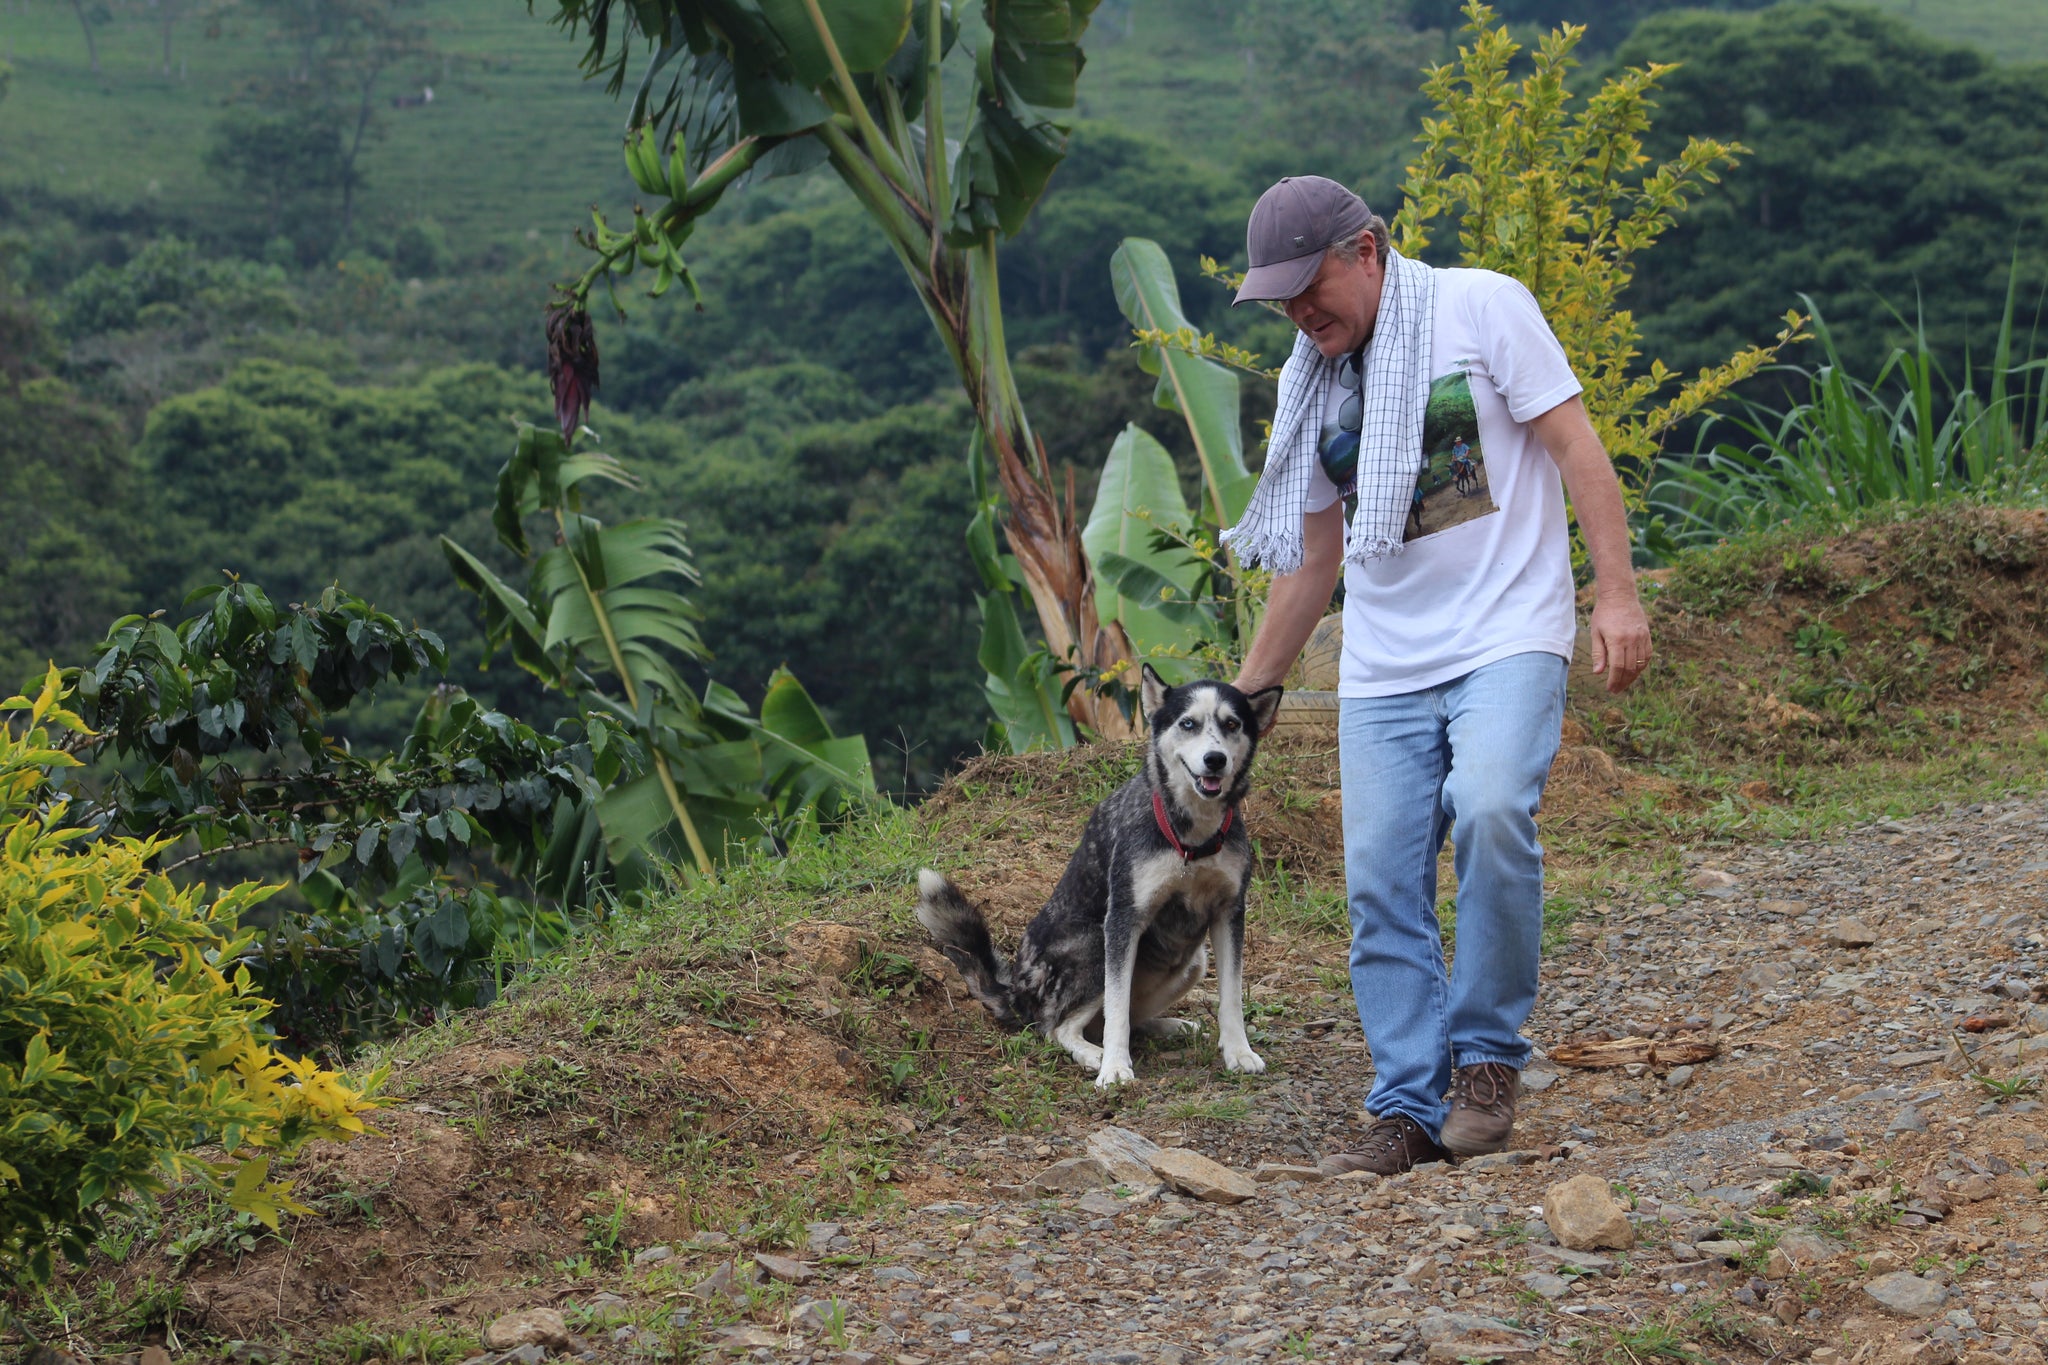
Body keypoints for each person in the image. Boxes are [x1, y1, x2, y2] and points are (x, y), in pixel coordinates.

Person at [1222, 176, 1651, 1173]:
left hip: (1506, 632)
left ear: (1365, 251)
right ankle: (1406, 1106)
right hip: (1383, 666)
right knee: (1378, 883)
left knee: (1495, 809)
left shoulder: (1479, 308)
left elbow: (1575, 449)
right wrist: (1245, 701)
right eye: (1279, 298)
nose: (1297, 313)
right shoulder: (1311, 385)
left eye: (1309, 286)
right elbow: (1312, 562)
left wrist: (1616, 593)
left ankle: (1486, 1065)